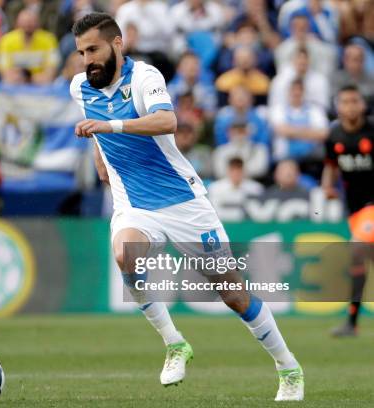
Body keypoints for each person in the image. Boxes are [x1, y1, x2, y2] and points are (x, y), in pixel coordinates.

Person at [69, 12, 304, 401]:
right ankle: (175, 343)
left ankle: (288, 366)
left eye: (93, 49)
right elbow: (94, 125)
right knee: (126, 255)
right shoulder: (80, 87)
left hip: (184, 202)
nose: (87, 59)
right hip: (134, 204)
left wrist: (108, 128)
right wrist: (100, 158)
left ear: (116, 44)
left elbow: (167, 121)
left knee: (232, 293)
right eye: (81, 52)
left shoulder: (145, 77)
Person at [321, 85, 374, 337]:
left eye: (355, 100)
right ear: (338, 106)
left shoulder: (371, 133)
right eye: (345, 101)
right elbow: (331, 165)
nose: (351, 106)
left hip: (372, 207)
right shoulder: (334, 136)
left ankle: (351, 322)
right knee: (361, 258)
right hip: (354, 209)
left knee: (356, 249)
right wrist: (327, 185)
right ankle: (352, 323)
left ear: (363, 105)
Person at [0, 9, 61, 85]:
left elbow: (50, 73)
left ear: (38, 23)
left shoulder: (49, 40)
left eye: (31, 22)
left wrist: (27, 78)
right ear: (17, 24)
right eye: (24, 22)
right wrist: (34, 78)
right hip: (15, 88)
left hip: (42, 88)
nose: (27, 25)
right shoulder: (6, 40)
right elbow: (6, 75)